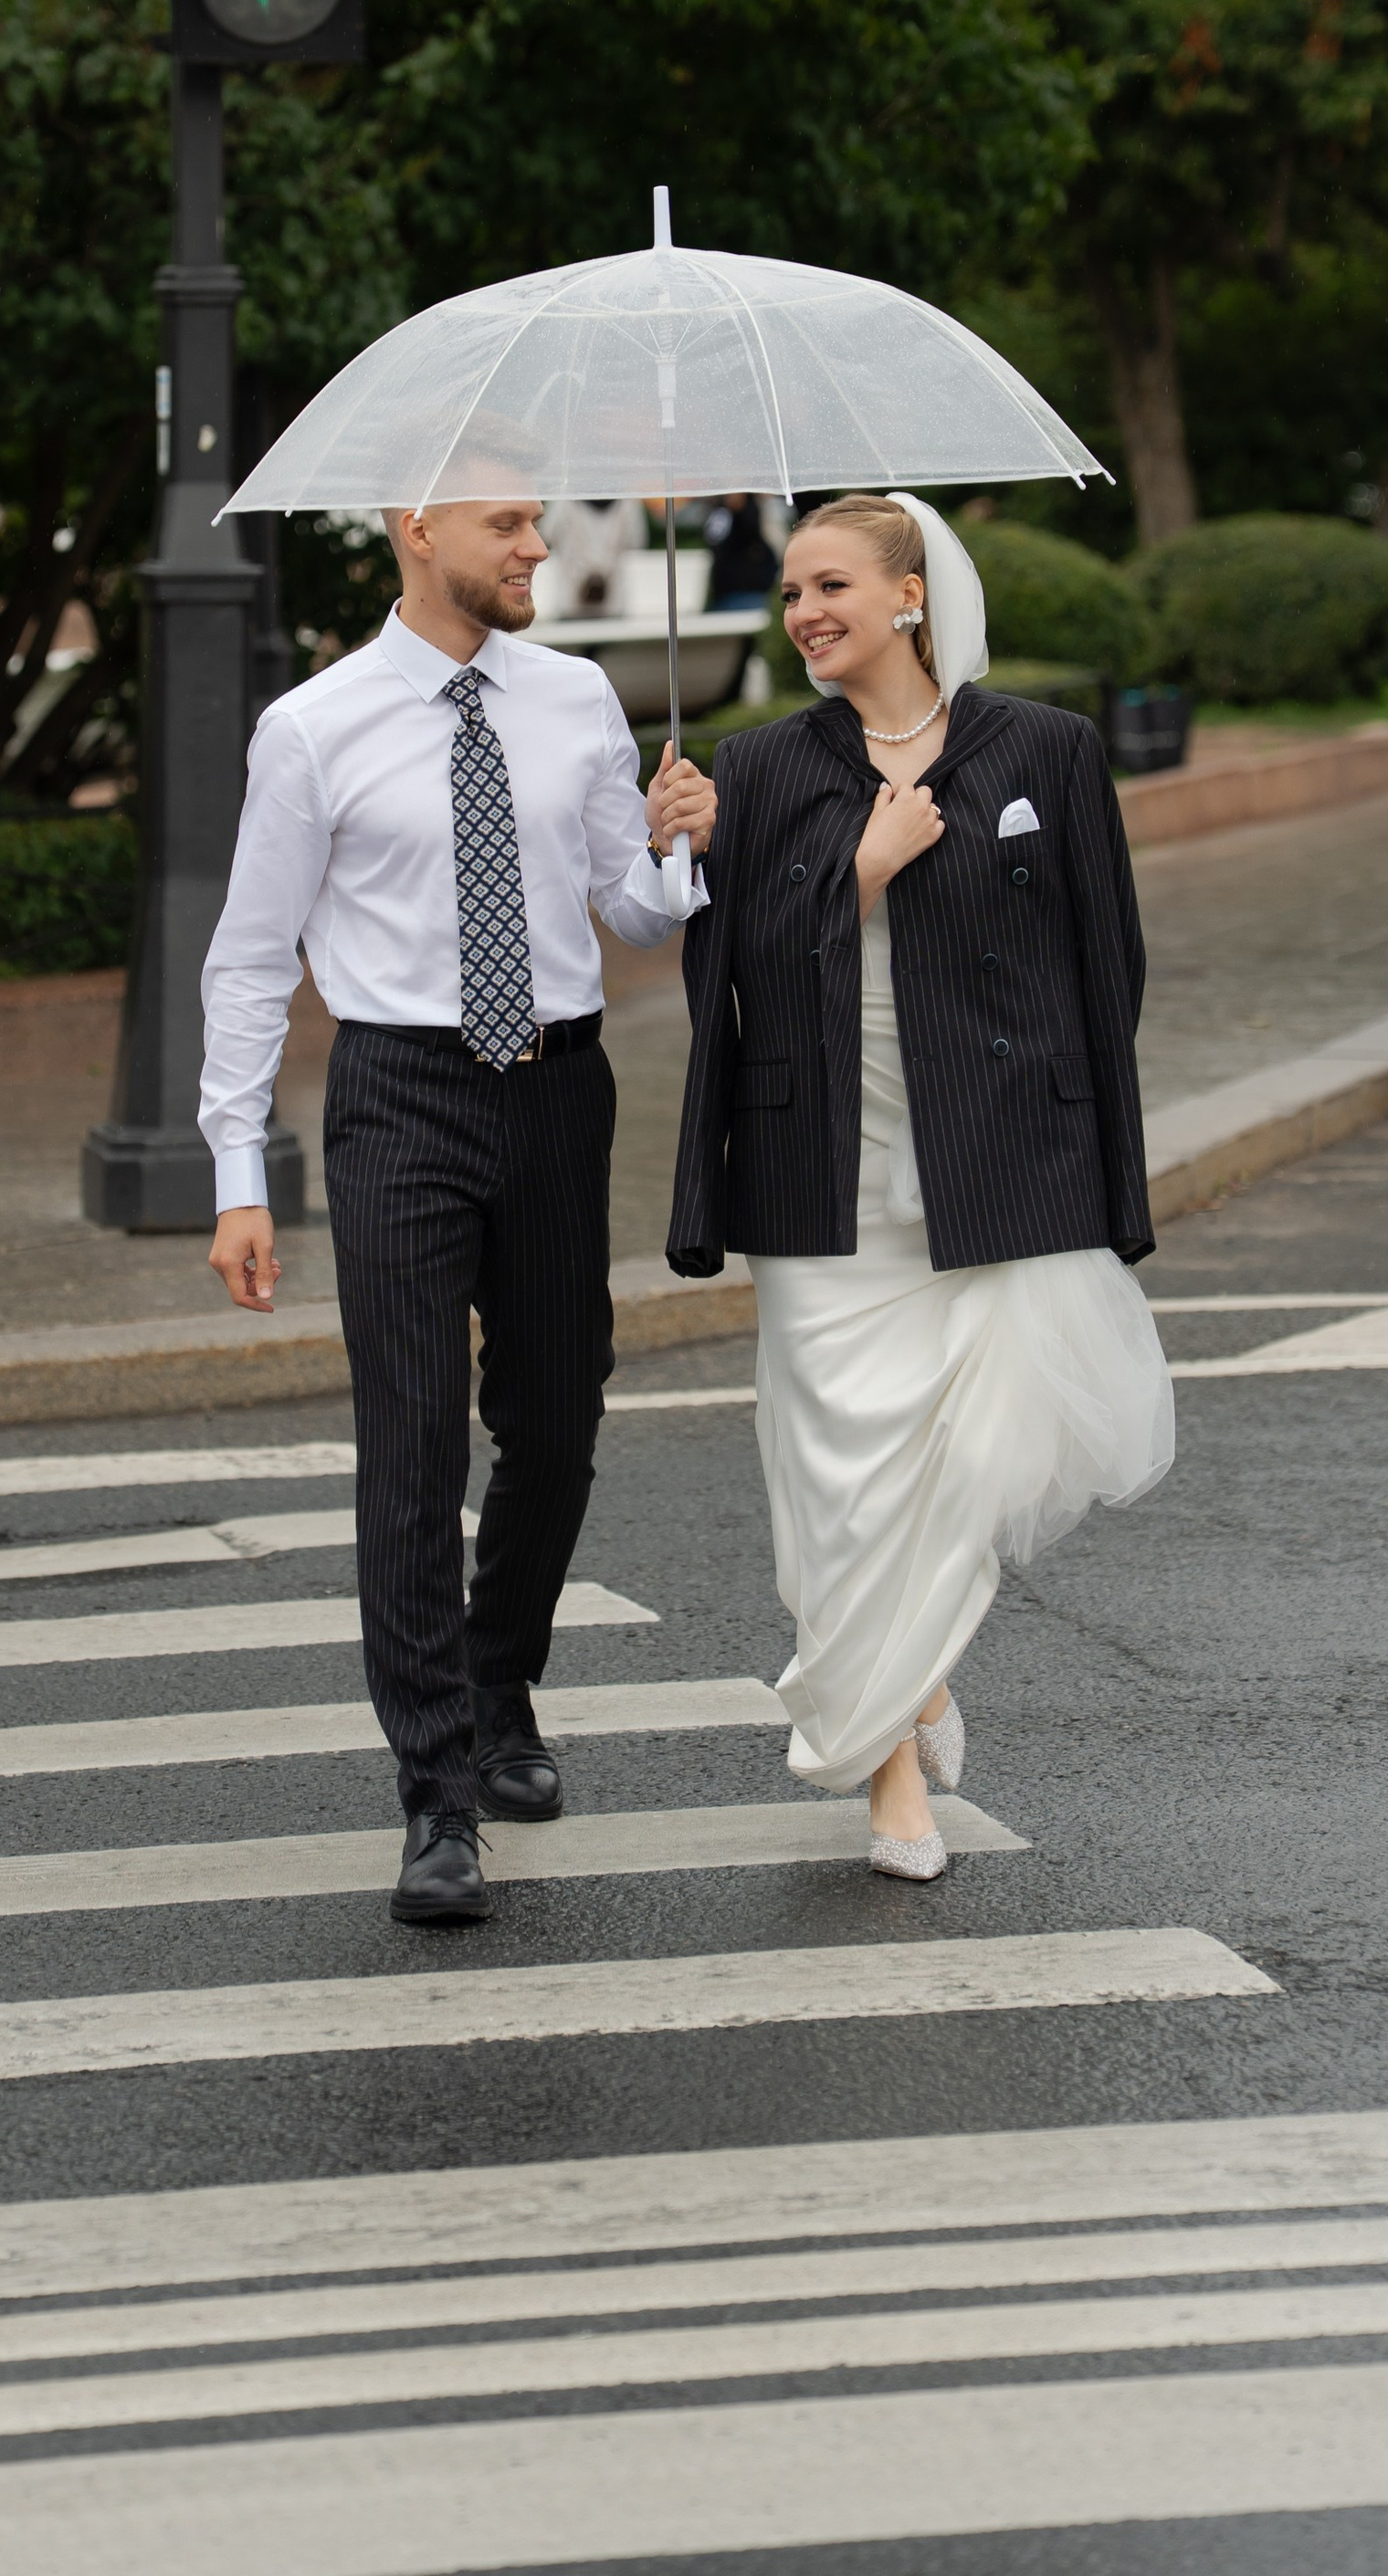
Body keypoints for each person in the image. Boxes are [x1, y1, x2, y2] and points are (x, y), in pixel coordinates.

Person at [202, 488, 716, 1929]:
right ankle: (436, 1788)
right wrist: (239, 1174)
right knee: (414, 1435)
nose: (538, 548)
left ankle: (502, 1683)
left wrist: (677, 850)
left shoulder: (579, 698)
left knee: (557, 1422)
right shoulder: (314, 727)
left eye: (538, 522)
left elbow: (627, 910)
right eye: (507, 523)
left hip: (560, 1088)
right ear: (414, 526)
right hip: (400, 1098)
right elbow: (250, 961)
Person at [666, 491, 1172, 1878]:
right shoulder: (757, 768)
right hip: (817, 1174)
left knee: (978, 1460)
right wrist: (842, 872)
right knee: (836, 1482)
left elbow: (1103, 964)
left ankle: (917, 1662)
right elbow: (735, 983)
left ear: (910, 596)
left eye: (831, 585)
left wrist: (1095, 1162)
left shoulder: (1047, 751)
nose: (807, 613)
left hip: (995, 1161)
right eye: (789, 593)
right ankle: (895, 1769)